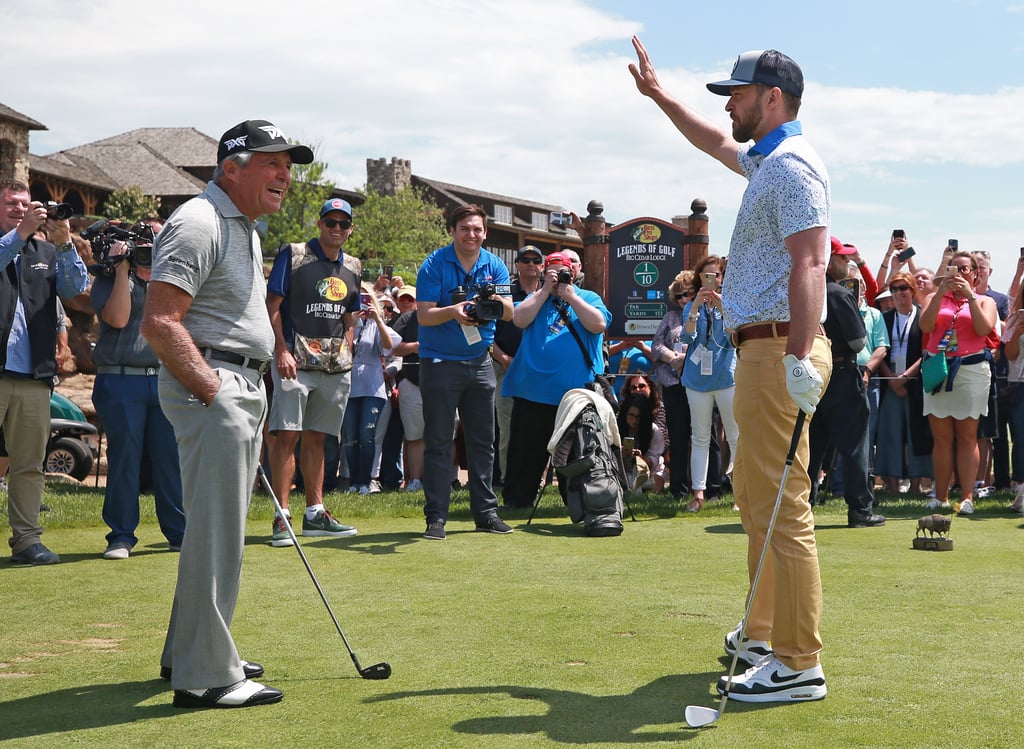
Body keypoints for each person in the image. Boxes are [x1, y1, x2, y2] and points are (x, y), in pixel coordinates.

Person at [631, 39, 832, 702]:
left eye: (739, 94)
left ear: (772, 99)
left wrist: (801, 353)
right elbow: (714, 139)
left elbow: (810, 263)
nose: (732, 105)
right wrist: (661, 98)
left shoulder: (793, 166)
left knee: (782, 506)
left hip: (780, 348)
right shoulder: (767, 161)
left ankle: (799, 662)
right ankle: (768, 630)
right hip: (761, 350)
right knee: (755, 501)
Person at [141, 119, 315, 708]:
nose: (284, 175)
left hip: (236, 383)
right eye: (271, 162)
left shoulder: (241, 226)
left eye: (288, 166)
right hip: (215, 386)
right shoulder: (199, 221)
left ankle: (186, 653)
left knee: (215, 535)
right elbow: (160, 322)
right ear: (231, 167)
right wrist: (216, 393)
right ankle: (206, 676)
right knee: (218, 535)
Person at [1, 178, 89, 565]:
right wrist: (19, 235)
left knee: (29, 465)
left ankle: (26, 541)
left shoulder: (45, 252)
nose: (21, 209)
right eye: (11, 203)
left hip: (34, 376)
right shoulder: (11, 244)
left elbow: (75, 286)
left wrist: (65, 241)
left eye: (26, 204)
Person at [265, 197, 361, 546]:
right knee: (285, 436)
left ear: (350, 229)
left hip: (335, 366)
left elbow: (351, 313)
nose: (336, 229)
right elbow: (273, 305)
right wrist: (281, 349)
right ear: (319, 224)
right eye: (330, 222)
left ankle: (315, 514)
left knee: (318, 438)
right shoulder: (293, 254)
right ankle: (282, 517)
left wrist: (348, 343)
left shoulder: (354, 264)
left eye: (343, 224)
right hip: (296, 362)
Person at [416, 204, 514, 540]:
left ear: (485, 233)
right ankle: (436, 518)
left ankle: (486, 514)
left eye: (477, 229)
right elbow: (425, 316)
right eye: (465, 228)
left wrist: (489, 303)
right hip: (440, 362)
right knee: (440, 441)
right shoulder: (434, 264)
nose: (471, 234)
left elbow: (509, 312)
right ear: (453, 231)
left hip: (480, 362)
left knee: (483, 442)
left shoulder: (496, 264)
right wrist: (454, 311)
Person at [90, 223, 185, 560]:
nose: (151, 249)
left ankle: (179, 532)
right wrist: (121, 271)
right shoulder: (109, 276)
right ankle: (121, 536)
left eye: (157, 243)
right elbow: (117, 318)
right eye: (144, 243)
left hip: (163, 379)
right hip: (120, 379)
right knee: (125, 458)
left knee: (170, 459)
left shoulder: (172, 282)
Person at [499, 251, 610, 508]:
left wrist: (570, 295)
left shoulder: (589, 297)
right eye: (554, 270)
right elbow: (519, 318)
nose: (559, 275)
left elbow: (599, 324)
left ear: (574, 272)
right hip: (532, 392)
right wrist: (545, 290)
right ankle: (517, 502)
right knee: (524, 454)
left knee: (575, 455)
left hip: (574, 397)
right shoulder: (536, 299)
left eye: (564, 271)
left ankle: (580, 502)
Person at [806, 240, 884, 527]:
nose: (847, 264)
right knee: (854, 446)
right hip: (841, 374)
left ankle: (803, 507)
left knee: (810, 448)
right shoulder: (838, 293)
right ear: (829, 260)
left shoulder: (803, 290)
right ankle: (860, 510)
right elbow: (858, 340)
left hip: (810, 377)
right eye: (843, 258)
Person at [919, 251, 997, 515]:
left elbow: (983, 329)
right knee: (941, 438)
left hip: (971, 370)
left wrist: (970, 297)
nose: (960, 274)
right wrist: (940, 293)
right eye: (955, 269)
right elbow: (926, 325)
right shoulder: (933, 297)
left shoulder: (985, 301)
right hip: (938, 369)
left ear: (975, 274)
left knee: (967, 436)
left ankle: (966, 498)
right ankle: (940, 496)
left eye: (966, 269)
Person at [679, 255, 739, 513]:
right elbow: (686, 336)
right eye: (706, 275)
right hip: (696, 379)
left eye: (716, 274)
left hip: (727, 376)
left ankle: (740, 495)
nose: (711, 279)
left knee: (736, 436)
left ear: (723, 277)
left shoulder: (732, 303)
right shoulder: (691, 305)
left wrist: (722, 306)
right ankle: (699, 494)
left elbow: (735, 333)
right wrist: (695, 307)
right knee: (700, 436)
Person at [875, 272, 933, 495]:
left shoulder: (922, 317)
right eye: (894, 289)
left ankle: (917, 486)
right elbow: (878, 348)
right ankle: (891, 485)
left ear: (912, 290)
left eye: (903, 288)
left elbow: (926, 350)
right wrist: (891, 378)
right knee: (889, 433)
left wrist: (906, 377)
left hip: (915, 384)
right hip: (889, 382)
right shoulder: (885, 318)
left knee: (916, 433)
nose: (898, 293)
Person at [492, 245, 544, 485]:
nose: (530, 264)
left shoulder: (549, 294)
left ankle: (537, 482)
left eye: (536, 260)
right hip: (505, 368)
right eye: (525, 259)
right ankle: (507, 480)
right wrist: (503, 359)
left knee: (539, 430)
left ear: (542, 266)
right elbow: (485, 334)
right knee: (508, 430)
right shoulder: (503, 293)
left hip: (540, 372)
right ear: (517, 264)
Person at [343, 283, 397, 494]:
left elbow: (387, 346)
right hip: (348, 386)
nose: (363, 303)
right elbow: (343, 349)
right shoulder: (347, 322)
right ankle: (352, 482)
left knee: (367, 435)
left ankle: (365, 481)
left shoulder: (376, 323)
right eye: (359, 299)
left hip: (372, 387)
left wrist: (377, 319)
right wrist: (351, 322)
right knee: (349, 436)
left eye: (367, 299)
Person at [651, 270, 695, 499]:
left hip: (701, 384)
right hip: (673, 384)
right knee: (677, 437)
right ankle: (678, 488)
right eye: (679, 296)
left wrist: (687, 361)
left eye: (687, 294)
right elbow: (656, 344)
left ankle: (706, 488)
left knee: (703, 438)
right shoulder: (670, 318)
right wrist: (673, 359)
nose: (683, 300)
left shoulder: (707, 313)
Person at [391, 285, 424, 492]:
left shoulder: (447, 314)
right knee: (414, 436)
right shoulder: (406, 319)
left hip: (443, 384)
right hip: (411, 383)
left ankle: (447, 480)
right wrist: (417, 346)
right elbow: (392, 346)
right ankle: (415, 480)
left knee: (446, 436)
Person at [617, 392, 667, 493]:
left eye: (639, 417)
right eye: (631, 415)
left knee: (656, 484)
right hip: (621, 470)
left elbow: (654, 459)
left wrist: (641, 459)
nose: (634, 420)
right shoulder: (616, 427)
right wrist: (618, 454)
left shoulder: (653, 430)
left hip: (649, 471)